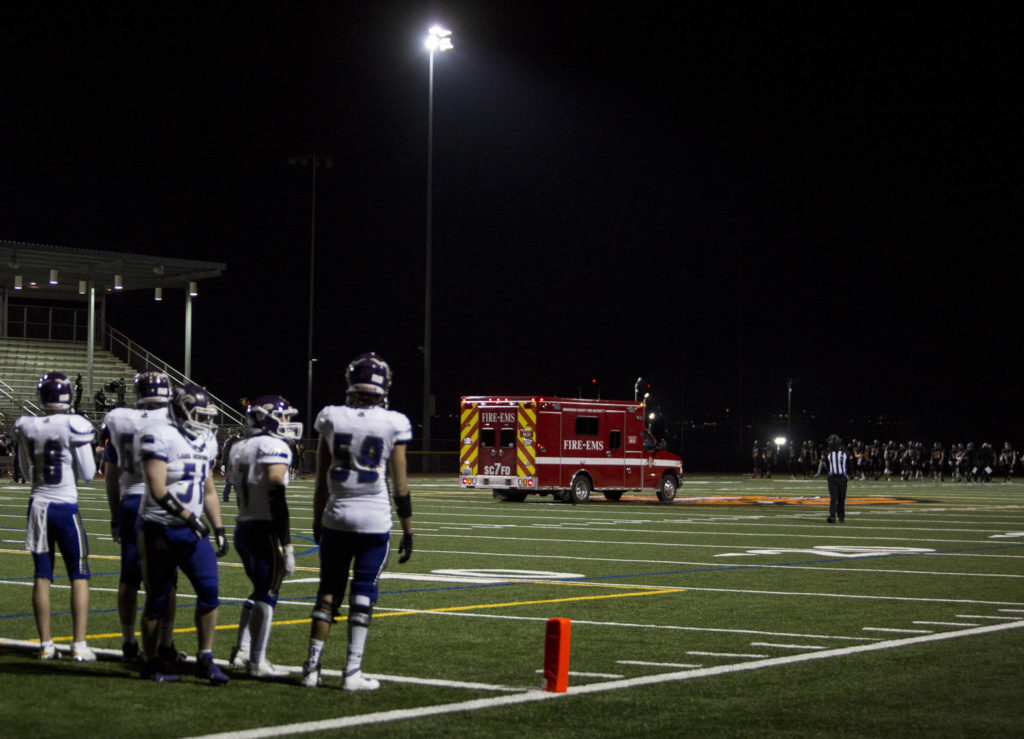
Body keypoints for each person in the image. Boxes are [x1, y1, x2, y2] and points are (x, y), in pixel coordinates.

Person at [301, 352, 413, 691]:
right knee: (363, 592)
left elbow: (321, 479)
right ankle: (351, 672)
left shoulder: (332, 417)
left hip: (337, 517)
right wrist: (408, 527)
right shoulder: (393, 422)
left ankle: (310, 668)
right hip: (374, 520)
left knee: (328, 593)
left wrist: (318, 520)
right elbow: (400, 483)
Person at [137, 383, 229, 683]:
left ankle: (205, 657)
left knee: (209, 591)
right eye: (198, 414)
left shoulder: (207, 440)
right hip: (159, 527)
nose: (204, 421)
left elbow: (209, 489)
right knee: (158, 598)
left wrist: (219, 527)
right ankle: (150, 662)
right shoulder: (159, 435)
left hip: (193, 530)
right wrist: (189, 516)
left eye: (206, 416)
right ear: (179, 411)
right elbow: (157, 486)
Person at [101, 370, 186, 664]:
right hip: (161, 502)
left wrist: (115, 515)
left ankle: (128, 643)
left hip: (130, 499)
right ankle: (165, 644)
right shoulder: (173, 421)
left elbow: (111, 478)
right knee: (167, 579)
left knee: (129, 577)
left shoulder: (121, 421)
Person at [12, 372, 98, 661]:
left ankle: (46, 645)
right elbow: (88, 473)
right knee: (79, 574)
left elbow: (24, 472)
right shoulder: (74, 424)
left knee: (42, 575)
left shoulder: (28, 426)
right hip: (64, 506)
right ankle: (79, 645)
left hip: (37, 505)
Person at [226, 395, 302, 678]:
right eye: (282, 417)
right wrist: (287, 543)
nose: (287, 422)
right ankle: (257, 660)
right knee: (268, 593)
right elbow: (276, 497)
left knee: (260, 590)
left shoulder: (238, 447)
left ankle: (243, 650)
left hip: (243, 526)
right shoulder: (274, 446)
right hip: (265, 529)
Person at [823, 434, 848, 523]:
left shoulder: (844, 452)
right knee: (834, 497)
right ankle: (832, 515)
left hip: (842, 478)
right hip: (832, 478)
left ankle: (841, 516)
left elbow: (850, 463)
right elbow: (825, 464)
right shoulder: (828, 452)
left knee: (842, 498)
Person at [219, 430, 244, 502]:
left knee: (229, 481)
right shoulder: (240, 440)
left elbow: (225, 452)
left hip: (230, 463)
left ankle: (225, 497)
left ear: (229, 433)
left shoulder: (228, 441)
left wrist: (223, 464)